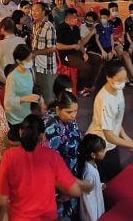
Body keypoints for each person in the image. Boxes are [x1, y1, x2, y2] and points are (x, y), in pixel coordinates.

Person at [0, 113, 90, 221]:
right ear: (42, 136)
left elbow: (0, 203)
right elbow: (75, 191)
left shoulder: (9, 157)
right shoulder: (51, 156)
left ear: (21, 132)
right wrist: (83, 184)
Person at [87, 63, 133, 182]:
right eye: (120, 79)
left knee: (115, 175)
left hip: (111, 144)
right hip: (101, 146)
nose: (124, 82)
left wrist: (125, 137)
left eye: (125, 78)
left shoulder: (117, 90)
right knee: (104, 181)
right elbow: (109, 135)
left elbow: (116, 118)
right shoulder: (104, 100)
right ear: (109, 78)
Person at [44, 88, 83, 219]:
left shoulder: (70, 120)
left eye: (75, 111)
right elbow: (51, 164)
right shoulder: (49, 128)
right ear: (57, 110)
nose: (73, 115)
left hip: (72, 172)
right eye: (69, 112)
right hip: (59, 182)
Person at [57, 8, 103, 98]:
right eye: (74, 18)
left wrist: (84, 53)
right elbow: (58, 46)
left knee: (98, 60)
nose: (77, 19)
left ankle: (89, 85)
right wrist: (72, 46)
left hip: (77, 53)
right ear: (68, 18)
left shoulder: (75, 28)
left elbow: (79, 43)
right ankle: (79, 87)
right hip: (67, 55)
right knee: (86, 67)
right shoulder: (61, 28)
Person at [4, 45, 43, 135]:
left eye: (31, 59)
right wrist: (24, 99)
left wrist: (41, 101)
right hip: (15, 118)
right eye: (28, 60)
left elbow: (34, 87)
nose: (31, 62)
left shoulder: (30, 71)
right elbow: (7, 102)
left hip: (26, 114)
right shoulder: (12, 77)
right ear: (18, 61)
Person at [29, 1, 58, 99]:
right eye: (32, 10)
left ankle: (50, 112)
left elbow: (53, 48)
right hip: (36, 64)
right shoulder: (34, 25)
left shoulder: (49, 27)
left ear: (43, 12)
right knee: (38, 90)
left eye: (37, 10)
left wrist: (35, 53)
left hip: (46, 66)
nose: (34, 12)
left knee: (48, 94)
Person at [78, 133, 107, 221]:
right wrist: (92, 217)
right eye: (102, 151)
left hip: (96, 202)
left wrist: (99, 185)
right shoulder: (89, 172)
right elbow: (87, 198)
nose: (104, 152)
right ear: (93, 155)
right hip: (92, 211)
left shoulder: (92, 165)